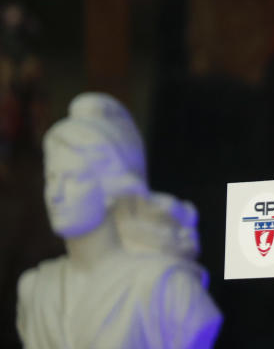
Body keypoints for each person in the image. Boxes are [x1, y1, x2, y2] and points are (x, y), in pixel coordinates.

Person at [16, 92, 222, 349]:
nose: (55, 194)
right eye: (51, 179)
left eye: (73, 178)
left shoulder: (167, 289)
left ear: (112, 188)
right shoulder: (36, 289)